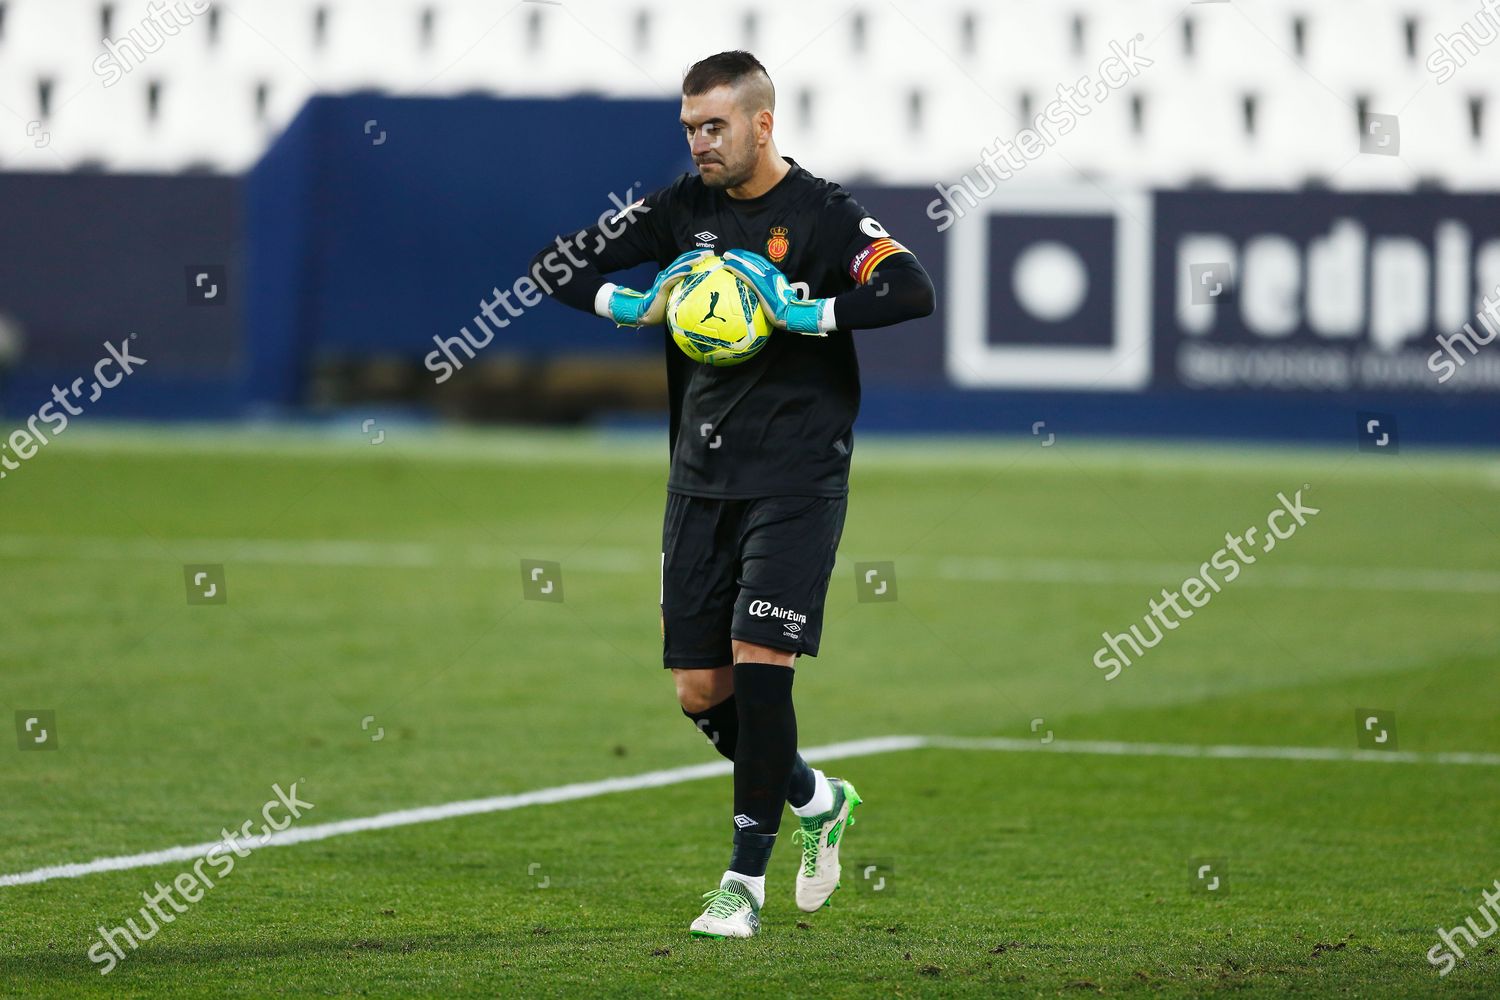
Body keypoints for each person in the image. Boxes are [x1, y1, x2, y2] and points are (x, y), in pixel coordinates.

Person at [529, 49, 935, 938]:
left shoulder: (823, 215)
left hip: (796, 474)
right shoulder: (684, 209)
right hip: (700, 476)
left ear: (763, 123)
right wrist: (627, 306)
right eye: (689, 128)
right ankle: (817, 798)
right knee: (699, 691)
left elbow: (911, 290)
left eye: (714, 127)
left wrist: (809, 313)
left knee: (760, 661)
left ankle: (740, 886)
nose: (700, 143)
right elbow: (554, 263)